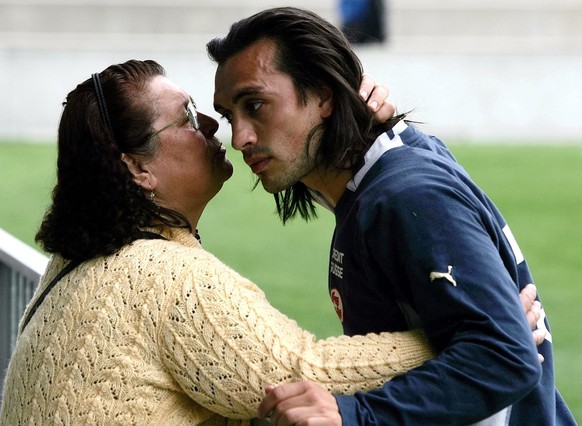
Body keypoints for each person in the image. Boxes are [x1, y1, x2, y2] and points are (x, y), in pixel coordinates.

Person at [0, 59, 480, 425]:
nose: (213, 126)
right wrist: (464, 333)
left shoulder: (81, 262)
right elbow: (306, 372)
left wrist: (368, 132)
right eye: (187, 117)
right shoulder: (159, 276)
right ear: (137, 168)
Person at [208, 7, 576, 425]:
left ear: (324, 96)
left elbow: (506, 355)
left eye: (255, 105)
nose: (240, 137)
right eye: (229, 116)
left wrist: (355, 416)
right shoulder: (384, 178)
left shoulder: (405, 195)